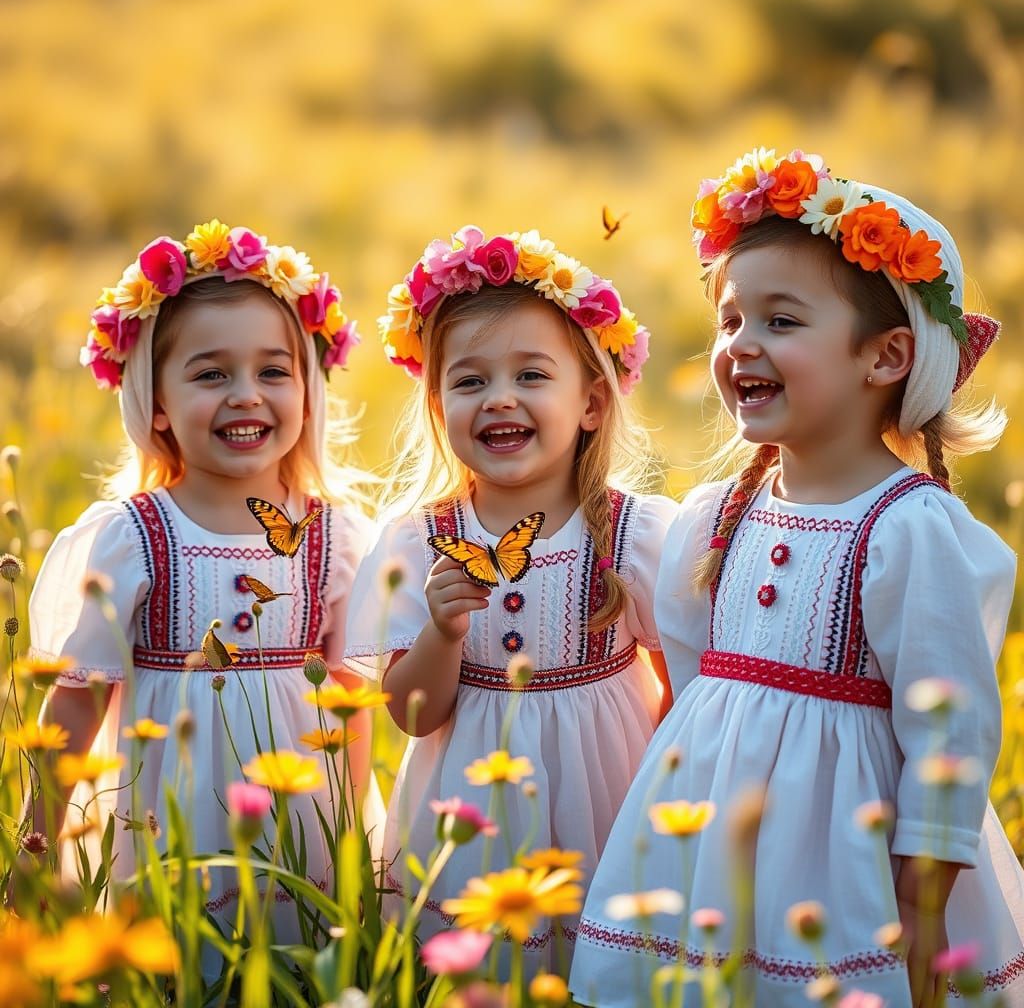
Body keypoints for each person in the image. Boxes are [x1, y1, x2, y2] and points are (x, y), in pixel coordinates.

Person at [571, 148, 1024, 1007]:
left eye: (781, 321)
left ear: (885, 357)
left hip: (846, 854)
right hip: (709, 842)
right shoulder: (716, 516)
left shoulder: (908, 528)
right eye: (730, 320)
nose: (742, 345)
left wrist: (922, 891)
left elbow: (950, 721)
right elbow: (695, 688)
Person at [27, 221, 376, 950]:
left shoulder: (334, 538)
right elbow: (79, 695)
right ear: (155, 402)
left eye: (273, 372)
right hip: (166, 810)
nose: (246, 395)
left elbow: (351, 700)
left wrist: (351, 839)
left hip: (299, 814)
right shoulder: (134, 536)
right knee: (179, 963)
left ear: (309, 393)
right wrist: (37, 839)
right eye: (211, 374)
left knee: (297, 960)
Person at [345, 225, 675, 972]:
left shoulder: (634, 536)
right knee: (481, 969)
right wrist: (441, 632)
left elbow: (685, 690)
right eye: (469, 381)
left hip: (609, 797)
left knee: (605, 964)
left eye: (531, 376)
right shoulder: (417, 542)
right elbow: (412, 715)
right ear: (436, 405)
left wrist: (656, 791)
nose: (500, 399)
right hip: (470, 805)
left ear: (591, 402)